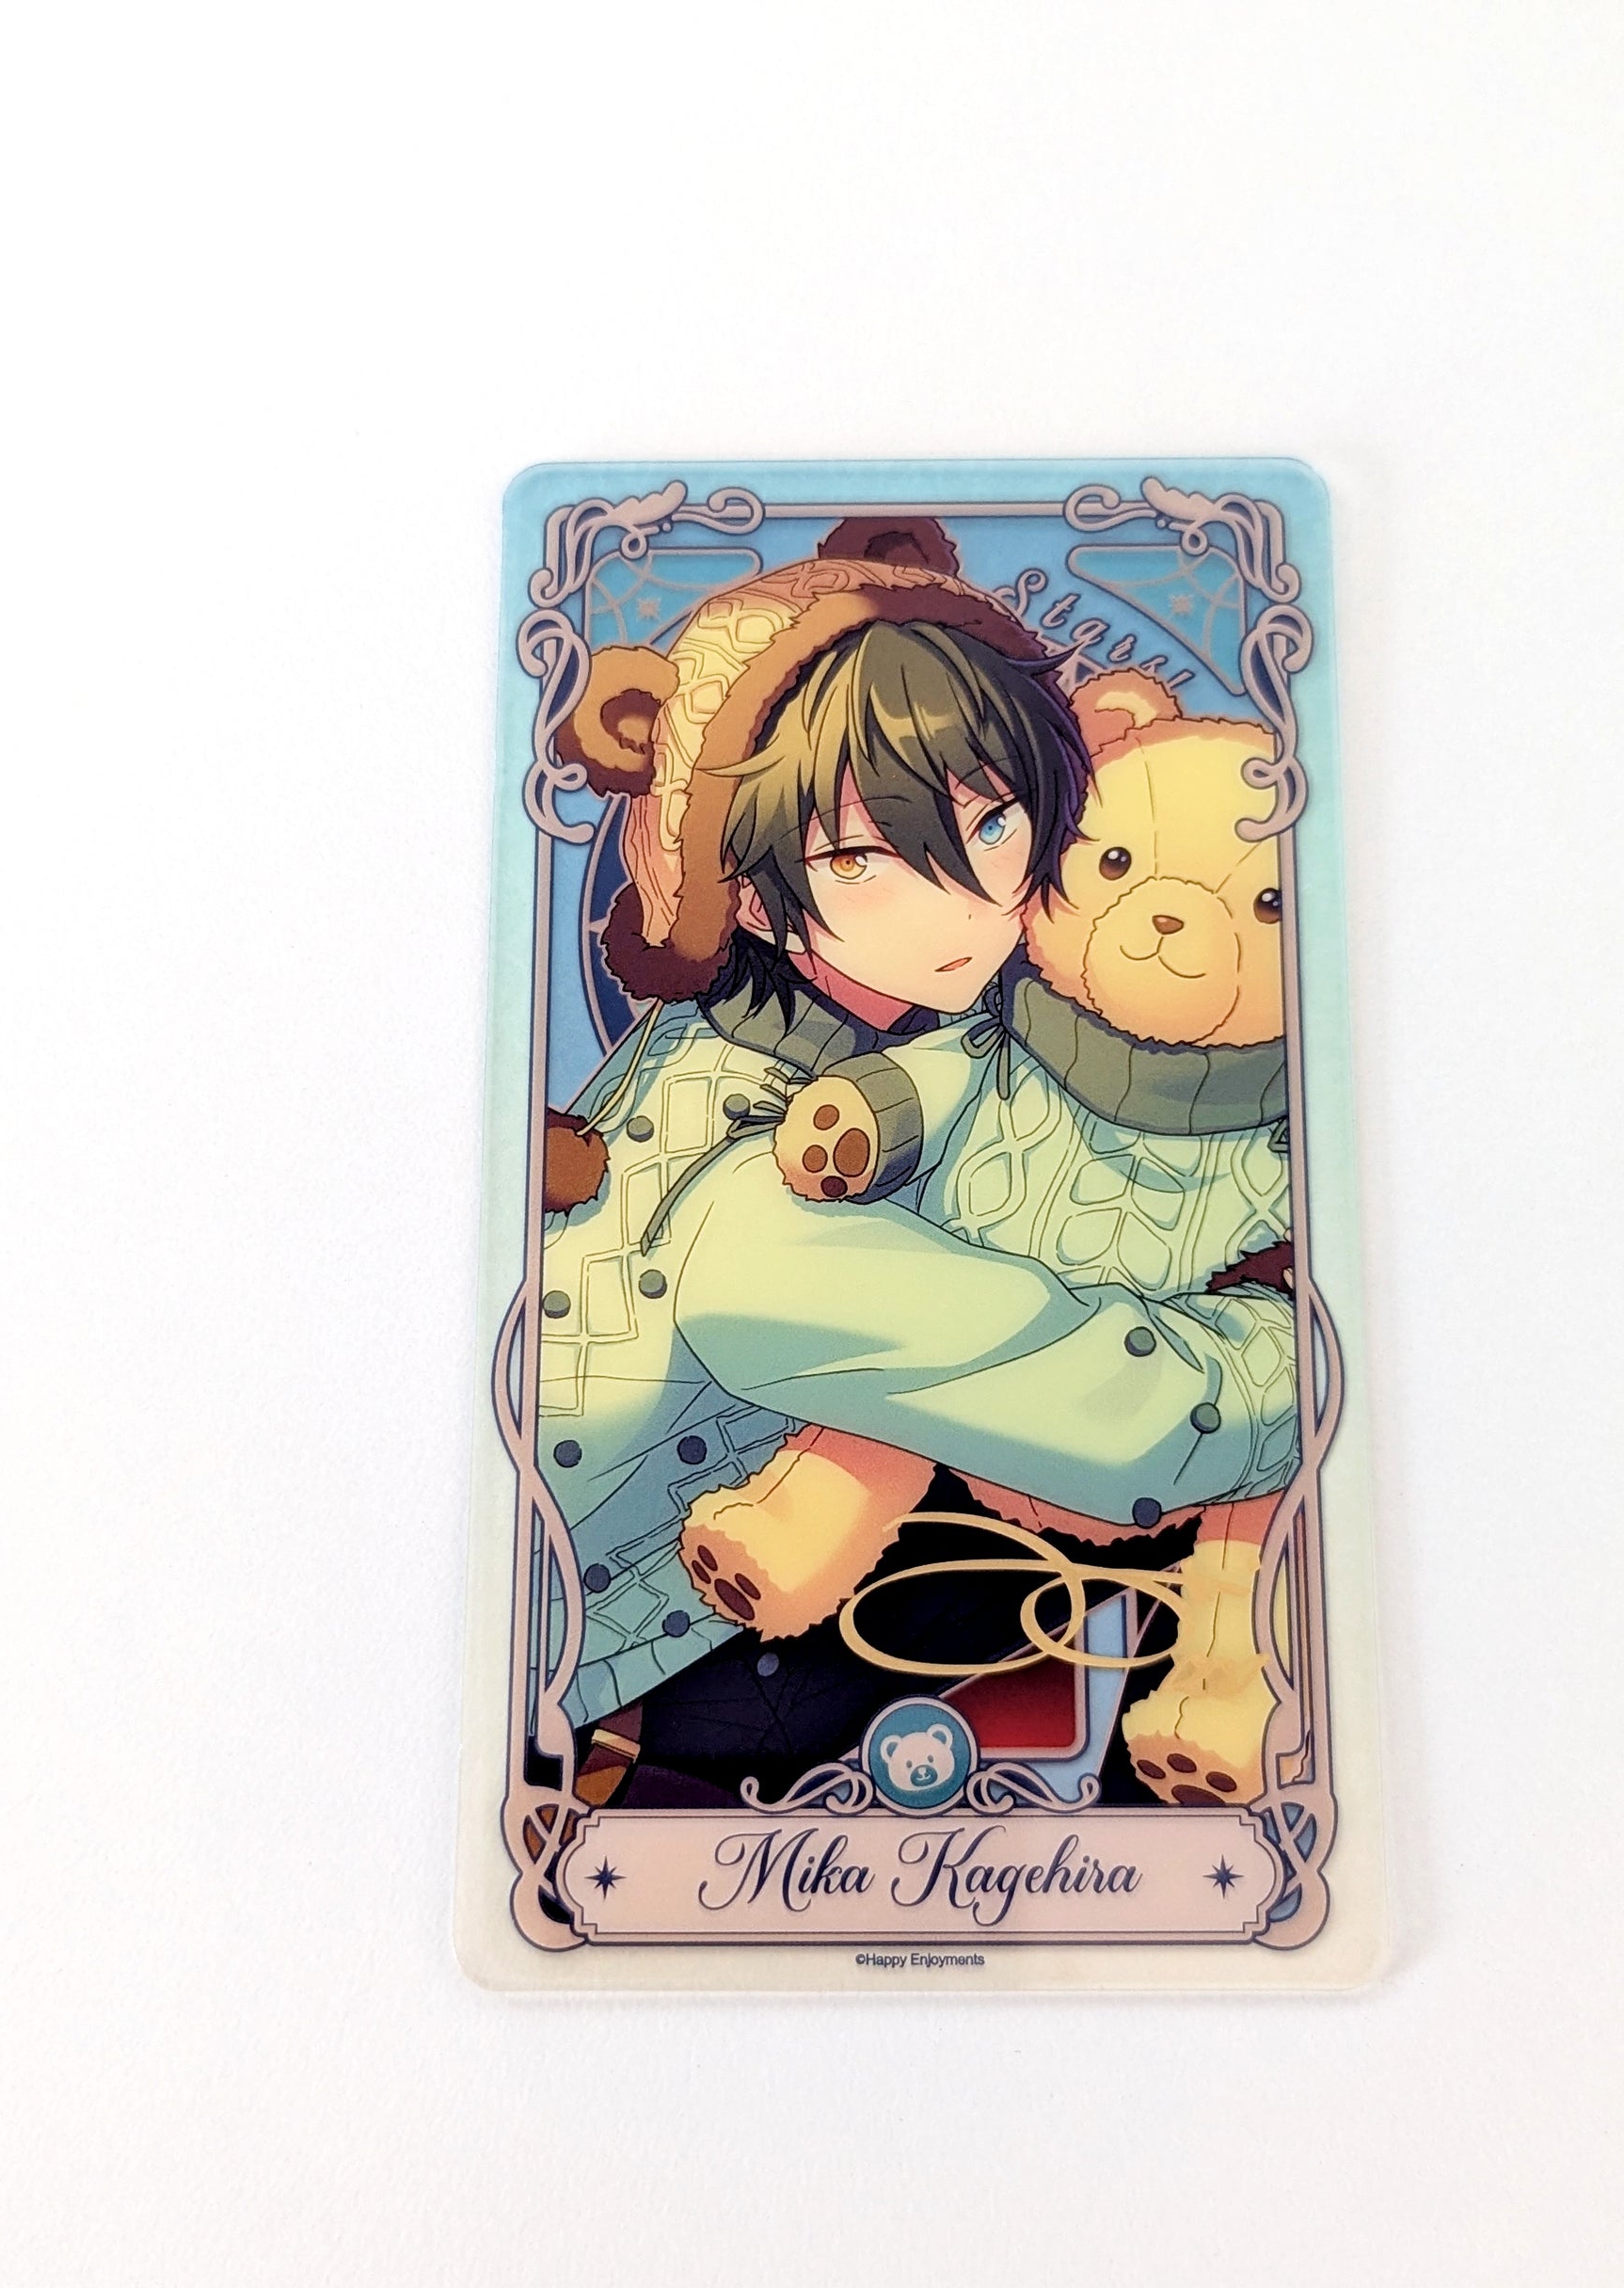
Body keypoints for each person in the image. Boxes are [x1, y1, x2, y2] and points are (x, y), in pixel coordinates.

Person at [534, 520, 1296, 1802]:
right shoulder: (761, 1167)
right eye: (861, 860)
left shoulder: (950, 1026)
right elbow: (1140, 1424)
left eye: (994, 822)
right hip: (638, 1687)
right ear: (755, 899)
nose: (970, 900)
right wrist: (1284, 1347)